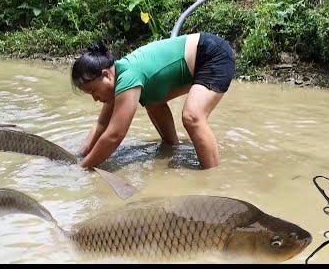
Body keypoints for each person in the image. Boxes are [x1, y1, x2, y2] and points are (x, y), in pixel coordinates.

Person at [72, 33, 235, 170]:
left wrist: (83, 168)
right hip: (200, 55)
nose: (95, 98)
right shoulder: (118, 79)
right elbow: (101, 126)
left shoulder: (128, 78)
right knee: (151, 100)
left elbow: (114, 135)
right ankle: (173, 147)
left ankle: (212, 178)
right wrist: (81, 154)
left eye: (94, 91)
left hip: (212, 55)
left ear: (107, 75)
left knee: (192, 117)